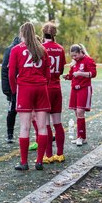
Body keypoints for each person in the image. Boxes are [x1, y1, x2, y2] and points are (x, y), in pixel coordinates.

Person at [8, 22, 51, 171]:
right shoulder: (42, 49)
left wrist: (14, 91)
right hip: (41, 88)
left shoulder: (16, 50)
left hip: (25, 88)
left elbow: (11, 74)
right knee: (42, 126)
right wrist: (44, 84)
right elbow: (48, 73)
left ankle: (24, 162)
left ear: (22, 34)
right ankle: (39, 161)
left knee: (25, 127)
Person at [41, 22, 66, 163]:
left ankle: (48, 155)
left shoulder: (41, 48)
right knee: (58, 122)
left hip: (46, 87)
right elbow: (61, 70)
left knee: (46, 123)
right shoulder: (60, 48)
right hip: (57, 87)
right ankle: (60, 154)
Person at [63, 44, 96, 146]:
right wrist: (67, 76)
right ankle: (82, 137)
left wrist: (81, 73)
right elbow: (72, 76)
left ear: (81, 52)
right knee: (77, 113)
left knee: (80, 112)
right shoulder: (74, 63)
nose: (74, 58)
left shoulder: (88, 60)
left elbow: (93, 74)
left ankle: (81, 137)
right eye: (72, 56)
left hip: (84, 88)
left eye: (75, 55)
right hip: (74, 89)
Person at [1, 36, 21, 143]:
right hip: (14, 86)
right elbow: (5, 70)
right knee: (12, 110)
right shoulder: (11, 50)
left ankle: (39, 133)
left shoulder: (29, 47)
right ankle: (9, 134)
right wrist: (7, 89)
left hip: (25, 85)